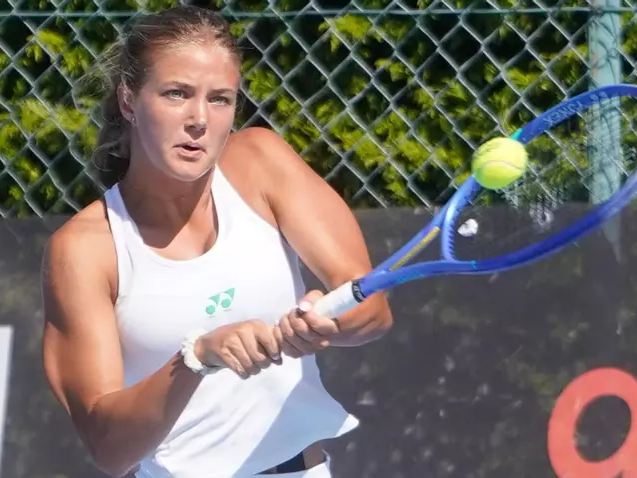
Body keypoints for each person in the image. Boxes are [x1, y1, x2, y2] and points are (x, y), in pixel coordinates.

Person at [40, 6, 393, 478]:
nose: (199, 119)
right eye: (177, 94)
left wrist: (326, 323)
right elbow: (109, 448)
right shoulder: (83, 249)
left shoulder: (261, 161)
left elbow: (373, 310)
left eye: (220, 99)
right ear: (128, 100)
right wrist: (195, 359)